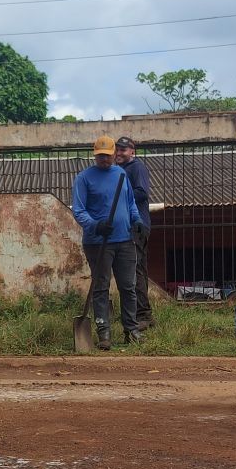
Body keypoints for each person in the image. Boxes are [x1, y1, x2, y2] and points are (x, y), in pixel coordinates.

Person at [72, 135, 143, 350]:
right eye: (100, 156)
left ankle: (131, 330)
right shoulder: (84, 178)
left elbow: (130, 202)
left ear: (114, 154)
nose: (104, 159)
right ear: (95, 155)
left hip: (124, 240)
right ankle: (104, 333)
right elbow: (78, 211)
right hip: (97, 243)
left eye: (107, 155)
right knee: (101, 287)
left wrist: (137, 220)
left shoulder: (121, 174)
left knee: (128, 287)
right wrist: (95, 225)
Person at [113, 136, 154, 330]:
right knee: (134, 271)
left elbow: (142, 193)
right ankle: (140, 314)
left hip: (137, 226)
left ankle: (143, 316)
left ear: (132, 151)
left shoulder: (136, 168)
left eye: (123, 150)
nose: (119, 153)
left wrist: (119, 194)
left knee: (135, 270)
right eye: (117, 150)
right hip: (125, 228)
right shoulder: (118, 171)